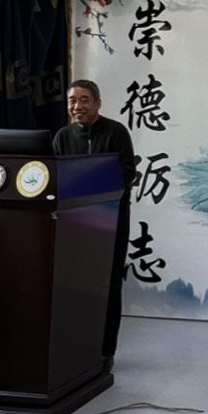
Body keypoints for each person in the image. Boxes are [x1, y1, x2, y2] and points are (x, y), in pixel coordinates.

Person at [53, 79, 135, 372]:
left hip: (110, 221)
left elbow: (127, 174)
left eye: (84, 100)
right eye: (72, 100)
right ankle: (76, 346)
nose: (78, 106)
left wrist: (88, 182)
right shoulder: (62, 137)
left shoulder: (116, 132)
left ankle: (105, 352)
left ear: (98, 103)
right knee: (74, 285)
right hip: (73, 224)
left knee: (108, 285)